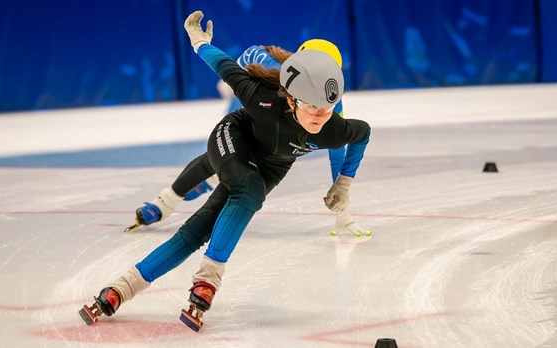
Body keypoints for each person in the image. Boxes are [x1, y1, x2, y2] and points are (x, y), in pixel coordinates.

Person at [79, 10, 370, 331]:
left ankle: (121, 288)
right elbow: (227, 67)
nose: (320, 116)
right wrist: (198, 40)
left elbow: (361, 134)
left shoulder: (332, 123)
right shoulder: (263, 97)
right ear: (291, 99)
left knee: (199, 229)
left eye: (328, 107)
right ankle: (206, 275)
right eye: (312, 106)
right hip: (234, 135)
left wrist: (343, 184)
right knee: (247, 188)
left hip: (272, 165)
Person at [129, 40, 371, 237]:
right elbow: (249, 55)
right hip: (255, 112)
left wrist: (342, 208)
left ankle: (205, 184)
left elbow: (336, 149)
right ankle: (164, 203)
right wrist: (233, 77)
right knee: (215, 157)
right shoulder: (271, 64)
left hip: (279, 140)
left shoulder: (331, 100)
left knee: (233, 167)